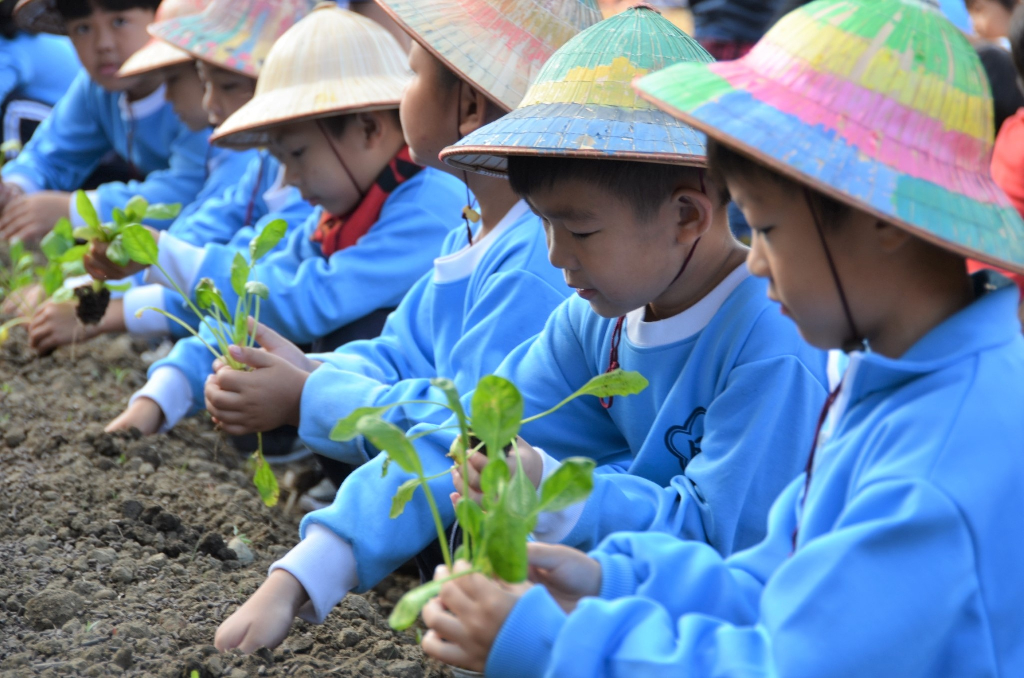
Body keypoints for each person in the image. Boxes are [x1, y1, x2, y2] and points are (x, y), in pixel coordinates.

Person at [419, 1, 1024, 675]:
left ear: (880, 218)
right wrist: (610, 580)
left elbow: (791, 666)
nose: (755, 260)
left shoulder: (941, 461)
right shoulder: (891, 375)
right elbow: (775, 577)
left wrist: (553, 646)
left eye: (766, 228)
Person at [213, 5, 830, 656]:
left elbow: (724, 545)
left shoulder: (772, 346)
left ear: (685, 215)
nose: (558, 255)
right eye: (543, 224)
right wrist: (310, 569)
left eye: (581, 230)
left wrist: (557, 493)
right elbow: (470, 434)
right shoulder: (596, 319)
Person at [211, 0, 604, 652]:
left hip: (550, 559)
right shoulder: (478, 222)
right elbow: (399, 351)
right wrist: (309, 373)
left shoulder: (536, 257)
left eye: (414, 72)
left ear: (471, 107)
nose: (401, 94)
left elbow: (461, 434)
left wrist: (307, 395)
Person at [103, 3, 466, 437]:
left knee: (344, 331)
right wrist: (160, 394)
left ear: (369, 130)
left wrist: (162, 254)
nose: (290, 179)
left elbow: (307, 302)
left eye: (297, 155)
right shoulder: (336, 213)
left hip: (443, 432)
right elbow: (256, 298)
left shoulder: (428, 207)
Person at [25, 0, 314, 353]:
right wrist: (100, 284)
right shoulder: (262, 166)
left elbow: (271, 291)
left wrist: (120, 306)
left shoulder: (257, 161)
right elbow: (201, 230)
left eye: (174, 79)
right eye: (83, 27)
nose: (169, 93)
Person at [0, 0, 210, 243]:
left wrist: (71, 210)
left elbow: (189, 188)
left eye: (119, 22)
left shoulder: (196, 97)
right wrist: (17, 187)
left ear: (160, 18)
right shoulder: (96, 89)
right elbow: (52, 153)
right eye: (82, 28)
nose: (103, 44)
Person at [0, 0, 80, 158]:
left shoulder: (10, 48)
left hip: (72, 120)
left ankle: (12, 169)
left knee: (11, 108)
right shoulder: (27, 32)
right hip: (66, 112)